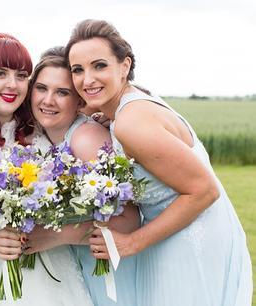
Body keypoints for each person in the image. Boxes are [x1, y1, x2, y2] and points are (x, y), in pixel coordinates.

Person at [65, 19, 253, 306]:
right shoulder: (132, 104)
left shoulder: (131, 122)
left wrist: (131, 243)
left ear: (124, 66)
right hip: (179, 232)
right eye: (78, 70)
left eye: (99, 65)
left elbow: (205, 190)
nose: (86, 79)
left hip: (187, 239)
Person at [0, 33, 93, 306]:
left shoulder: (39, 127)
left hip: (47, 261)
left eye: (22, 75)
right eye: (0, 73)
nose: (12, 84)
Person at [23, 46, 140, 306]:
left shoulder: (86, 139)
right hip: (78, 267)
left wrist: (59, 235)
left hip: (108, 269)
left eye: (62, 92)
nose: (48, 100)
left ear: (79, 101)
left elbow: (129, 219)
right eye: (41, 88)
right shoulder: (43, 137)